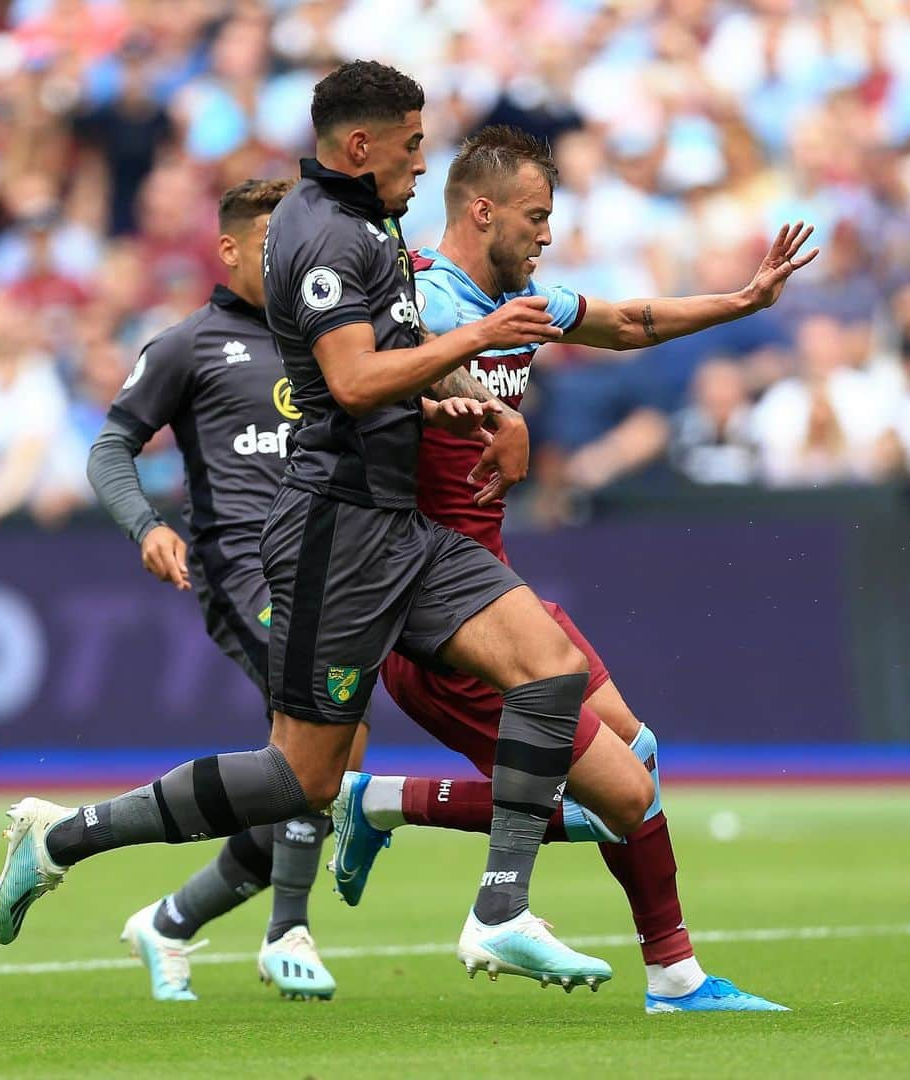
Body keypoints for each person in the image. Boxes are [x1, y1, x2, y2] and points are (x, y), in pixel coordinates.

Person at [0, 61, 649, 995]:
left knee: (551, 666)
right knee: (300, 781)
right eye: (414, 145)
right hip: (333, 537)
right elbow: (350, 381)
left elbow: (398, 362)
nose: (425, 165)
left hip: (398, 526)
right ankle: (63, 837)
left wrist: (475, 404)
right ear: (360, 146)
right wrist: (477, 339)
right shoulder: (327, 234)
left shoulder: (367, 221)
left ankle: (500, 909)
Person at [330, 124, 816, 1013]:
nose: (548, 234)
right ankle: (670, 975)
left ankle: (392, 805)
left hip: (498, 594)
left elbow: (630, 322)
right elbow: (382, 387)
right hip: (444, 627)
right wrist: (480, 409)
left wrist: (743, 303)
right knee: (619, 798)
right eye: (536, 217)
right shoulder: (422, 309)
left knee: (640, 757)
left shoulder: (521, 304)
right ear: (483, 212)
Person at [79, 178, 363, 1003]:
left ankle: (170, 921)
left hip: (335, 569)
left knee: (307, 769)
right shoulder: (187, 345)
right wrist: (147, 526)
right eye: (275, 243)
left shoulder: (329, 339)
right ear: (231, 248)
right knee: (330, 725)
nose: (292, 259)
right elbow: (110, 449)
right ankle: (288, 930)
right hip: (244, 571)